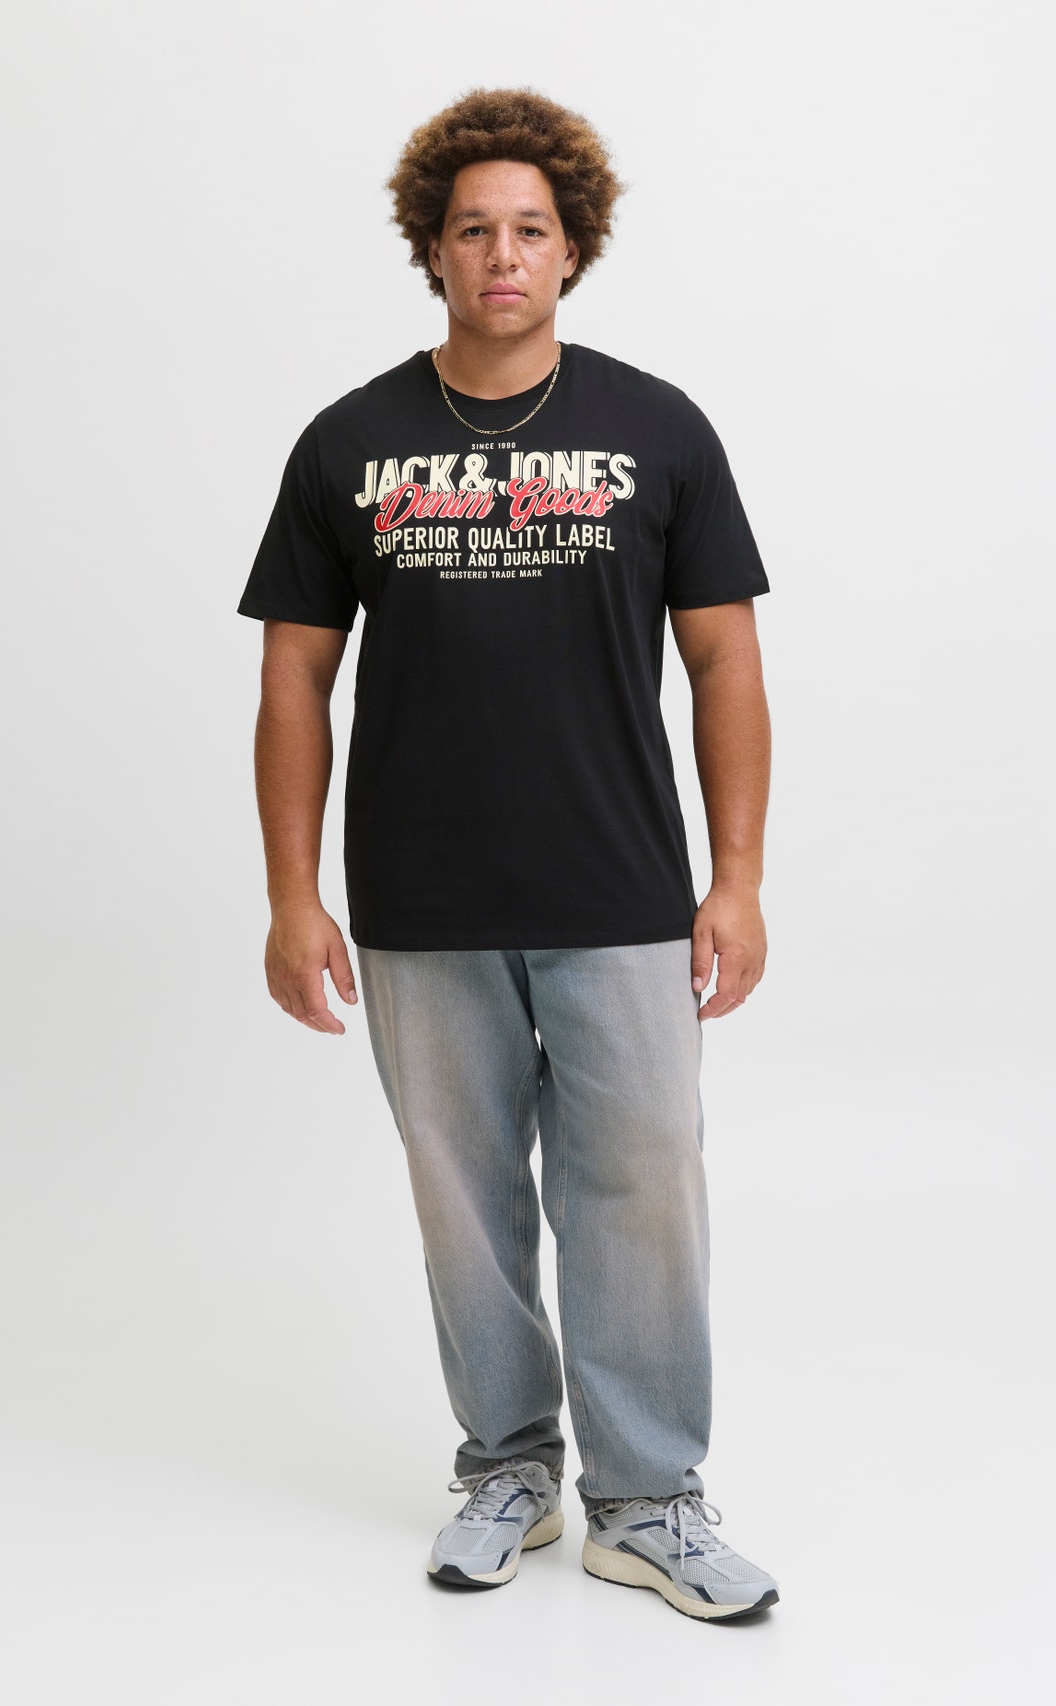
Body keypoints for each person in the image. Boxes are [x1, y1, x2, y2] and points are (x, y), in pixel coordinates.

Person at [237, 88, 779, 1623]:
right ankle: (510, 1466)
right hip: (421, 903)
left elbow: (725, 661)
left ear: (572, 248)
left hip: (621, 890)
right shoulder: (351, 442)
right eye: (472, 229)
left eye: (530, 229)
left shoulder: (659, 429)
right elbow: (294, 679)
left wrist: (737, 877)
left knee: (644, 1186)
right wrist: (292, 895)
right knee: (464, 1203)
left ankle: (648, 1498)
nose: (501, 255)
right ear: (432, 246)